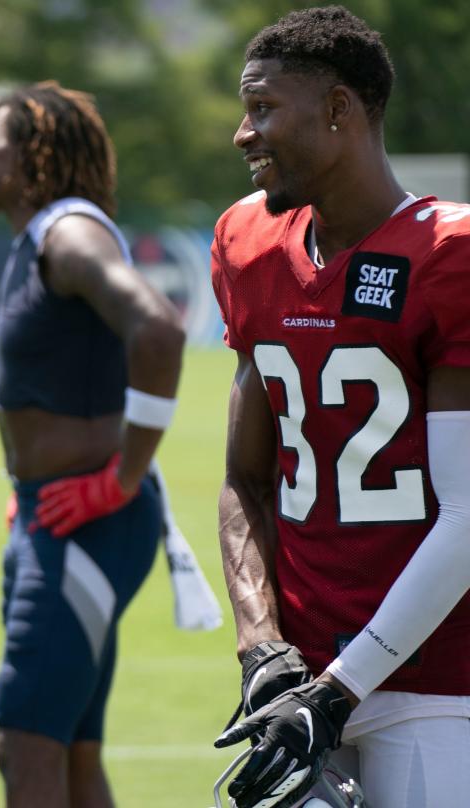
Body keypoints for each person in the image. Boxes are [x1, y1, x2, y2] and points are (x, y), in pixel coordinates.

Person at [211, 6, 470, 807]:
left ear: (338, 110)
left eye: (262, 108)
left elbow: (467, 512)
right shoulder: (247, 243)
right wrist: (264, 651)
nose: (242, 134)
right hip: (300, 681)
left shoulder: (448, 256)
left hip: (429, 686)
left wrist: (340, 688)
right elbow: (244, 481)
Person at [0, 82, 185, 808]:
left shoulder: (68, 232)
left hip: (88, 524)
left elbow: (158, 328)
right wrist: (30, 485)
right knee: (72, 753)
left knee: (25, 745)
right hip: (55, 516)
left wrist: (122, 477)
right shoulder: (43, 237)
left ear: (32, 156)